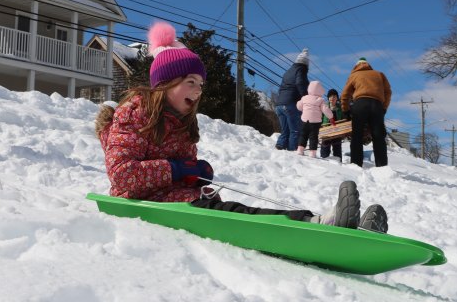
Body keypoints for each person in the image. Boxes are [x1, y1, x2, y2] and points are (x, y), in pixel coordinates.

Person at [95, 22, 388, 233]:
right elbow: (122, 177)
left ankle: (326, 223)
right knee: (241, 215)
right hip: (148, 205)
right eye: (190, 83)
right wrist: (176, 170)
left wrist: (194, 175)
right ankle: (317, 224)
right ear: (164, 84)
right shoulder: (133, 115)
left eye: (200, 85)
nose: (198, 92)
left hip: (181, 201)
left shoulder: (183, 123)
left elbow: (178, 174)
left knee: (239, 211)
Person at [341, 57, 392, 167]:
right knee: (378, 137)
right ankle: (382, 166)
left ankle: (356, 164)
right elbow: (388, 92)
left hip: (360, 105)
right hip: (377, 105)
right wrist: (384, 108)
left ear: (356, 66)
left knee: (357, 136)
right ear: (368, 65)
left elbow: (345, 95)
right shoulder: (379, 74)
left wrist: (346, 110)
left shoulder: (354, 75)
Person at [274, 49, 309, 151]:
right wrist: (305, 97)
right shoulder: (301, 70)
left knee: (285, 130)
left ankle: (279, 147)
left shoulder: (288, 71)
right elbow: (300, 83)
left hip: (279, 105)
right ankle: (292, 151)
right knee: (295, 130)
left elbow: (281, 88)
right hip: (291, 104)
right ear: (305, 63)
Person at [295, 81, 334, 157]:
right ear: (320, 90)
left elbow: (299, 106)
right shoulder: (320, 100)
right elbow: (325, 109)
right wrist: (331, 117)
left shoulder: (304, 98)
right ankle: (312, 153)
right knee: (313, 137)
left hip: (304, 120)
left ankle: (300, 149)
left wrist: (304, 108)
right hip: (315, 122)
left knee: (303, 135)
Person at [320, 88, 347, 161]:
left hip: (337, 131)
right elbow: (320, 118)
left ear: (337, 98)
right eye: (330, 96)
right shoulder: (324, 107)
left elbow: (343, 119)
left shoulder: (340, 109)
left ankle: (339, 164)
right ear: (328, 98)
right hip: (326, 131)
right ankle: (324, 163)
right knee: (325, 149)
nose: (332, 98)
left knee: (337, 149)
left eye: (334, 96)